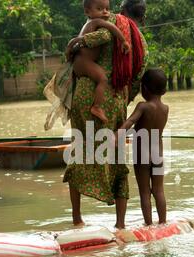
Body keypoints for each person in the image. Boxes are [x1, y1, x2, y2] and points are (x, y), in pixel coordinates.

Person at [63, 0, 148, 229]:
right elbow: (138, 77)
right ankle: (120, 224)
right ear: (142, 18)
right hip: (115, 98)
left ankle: (77, 219)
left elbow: (76, 53)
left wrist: (75, 42)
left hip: (82, 95)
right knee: (118, 159)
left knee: (79, 151)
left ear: (121, 10)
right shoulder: (139, 40)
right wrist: (123, 99)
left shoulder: (102, 21)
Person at [116, 69, 169, 226]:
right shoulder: (165, 109)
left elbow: (131, 121)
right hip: (158, 155)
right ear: (164, 90)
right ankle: (163, 222)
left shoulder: (143, 106)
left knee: (145, 192)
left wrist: (117, 134)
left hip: (142, 156)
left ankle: (149, 224)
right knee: (159, 190)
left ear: (144, 89)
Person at [73, 0, 131, 124]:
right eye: (100, 9)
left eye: (107, 8)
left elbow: (73, 43)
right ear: (87, 12)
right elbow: (112, 30)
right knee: (103, 79)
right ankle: (97, 107)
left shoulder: (88, 24)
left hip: (80, 63)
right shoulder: (97, 22)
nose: (105, 12)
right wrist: (123, 41)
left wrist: (69, 51)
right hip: (84, 62)